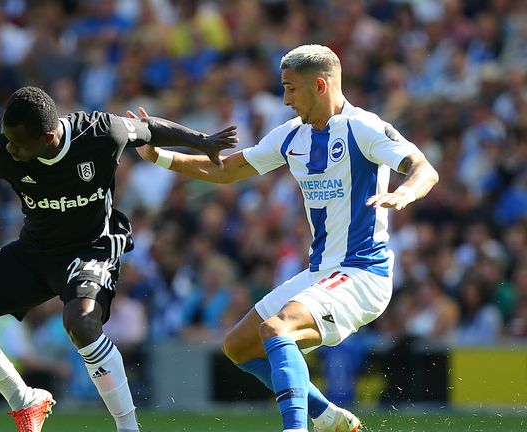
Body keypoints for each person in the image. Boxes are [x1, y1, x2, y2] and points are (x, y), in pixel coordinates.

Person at [0, 86, 236, 432]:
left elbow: (147, 129)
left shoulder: (100, 133)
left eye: (16, 143)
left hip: (92, 247)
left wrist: (201, 142)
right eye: (6, 139)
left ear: (46, 138)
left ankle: (128, 428)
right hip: (35, 251)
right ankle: (24, 400)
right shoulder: (3, 146)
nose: (8, 149)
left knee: (83, 323)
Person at [130, 44, 439, 432]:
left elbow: (424, 168)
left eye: (292, 88)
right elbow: (227, 170)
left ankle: (296, 428)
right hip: (321, 271)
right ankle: (326, 416)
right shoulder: (292, 136)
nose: (286, 99)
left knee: (277, 329)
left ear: (321, 85)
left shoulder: (364, 128)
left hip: (362, 273)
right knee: (239, 346)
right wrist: (159, 156)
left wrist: (406, 192)